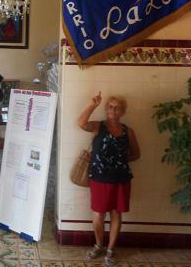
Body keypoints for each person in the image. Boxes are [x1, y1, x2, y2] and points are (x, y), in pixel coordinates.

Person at [77, 92, 140, 267]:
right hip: (99, 178)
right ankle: (99, 245)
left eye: (117, 107)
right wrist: (92, 105)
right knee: (98, 214)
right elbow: (81, 123)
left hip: (121, 178)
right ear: (106, 109)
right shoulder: (98, 126)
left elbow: (136, 154)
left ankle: (110, 249)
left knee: (116, 214)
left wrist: (118, 161)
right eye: (110, 106)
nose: (113, 110)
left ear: (123, 111)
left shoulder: (129, 131)